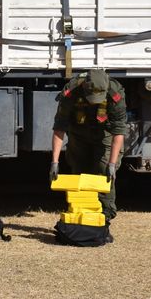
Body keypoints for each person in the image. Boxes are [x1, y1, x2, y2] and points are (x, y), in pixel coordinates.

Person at [50, 69, 127, 220]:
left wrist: (112, 164)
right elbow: (59, 128)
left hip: (105, 132)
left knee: (104, 170)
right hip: (78, 132)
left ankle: (105, 214)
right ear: (85, 87)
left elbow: (119, 131)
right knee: (79, 168)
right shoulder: (71, 92)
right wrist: (54, 162)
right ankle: (80, 211)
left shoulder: (115, 93)